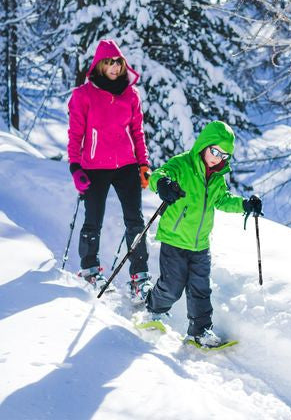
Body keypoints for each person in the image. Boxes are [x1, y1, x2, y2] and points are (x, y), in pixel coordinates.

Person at [143, 120, 262, 347]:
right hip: (174, 239)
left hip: (200, 245)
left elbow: (223, 200)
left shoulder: (217, 177)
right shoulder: (183, 164)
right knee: (172, 286)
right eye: (215, 150)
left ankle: (200, 331)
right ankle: (153, 309)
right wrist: (164, 185)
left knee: (200, 289)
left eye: (224, 155)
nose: (217, 158)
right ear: (205, 145)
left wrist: (246, 205)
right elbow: (158, 175)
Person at [67, 38, 153, 302]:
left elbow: (137, 132)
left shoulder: (131, 95)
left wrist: (143, 163)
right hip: (94, 167)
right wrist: (75, 167)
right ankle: (90, 269)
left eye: (118, 62)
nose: (115, 67)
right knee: (93, 220)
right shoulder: (83, 95)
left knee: (135, 221)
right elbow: (76, 134)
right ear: (99, 65)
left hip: (126, 166)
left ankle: (140, 278)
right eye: (109, 62)